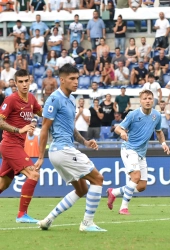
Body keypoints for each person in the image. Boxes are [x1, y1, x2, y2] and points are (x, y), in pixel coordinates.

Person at [35, 64, 106, 232]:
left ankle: (48, 220)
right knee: (98, 179)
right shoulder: (54, 99)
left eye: (77, 78)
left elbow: (71, 128)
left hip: (63, 151)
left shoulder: (71, 100)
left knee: (82, 189)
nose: (76, 82)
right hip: (62, 150)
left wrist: (85, 142)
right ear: (62, 80)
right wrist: (40, 156)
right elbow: (44, 128)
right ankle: (87, 223)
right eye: (72, 79)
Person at [106, 89, 170, 215]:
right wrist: (123, 132)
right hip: (129, 149)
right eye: (145, 98)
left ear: (153, 100)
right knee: (135, 176)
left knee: (141, 186)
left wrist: (163, 143)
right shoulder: (133, 115)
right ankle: (123, 207)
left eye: (150, 98)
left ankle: (114, 192)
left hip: (141, 152)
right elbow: (118, 128)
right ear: (140, 101)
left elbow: (159, 132)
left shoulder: (156, 115)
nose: (147, 101)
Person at [0, 69, 43, 223]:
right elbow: (0, 121)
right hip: (10, 145)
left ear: (29, 81)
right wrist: (19, 129)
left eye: (26, 81)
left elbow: (41, 112)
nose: (24, 84)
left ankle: (22, 214)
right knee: (34, 174)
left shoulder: (31, 98)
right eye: (21, 82)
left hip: (18, 145)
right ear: (16, 83)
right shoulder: (11, 100)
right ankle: (21, 215)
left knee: (3, 184)